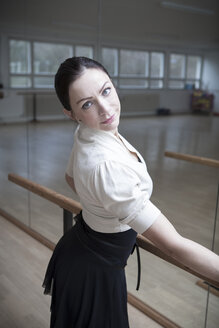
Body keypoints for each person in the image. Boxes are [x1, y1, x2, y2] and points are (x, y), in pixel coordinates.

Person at [43, 56, 219, 328]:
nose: (105, 109)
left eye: (106, 90)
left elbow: (70, 178)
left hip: (90, 253)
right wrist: (112, 205)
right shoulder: (107, 168)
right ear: (71, 113)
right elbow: (174, 245)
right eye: (87, 104)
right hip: (93, 269)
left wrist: (104, 208)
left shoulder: (86, 132)